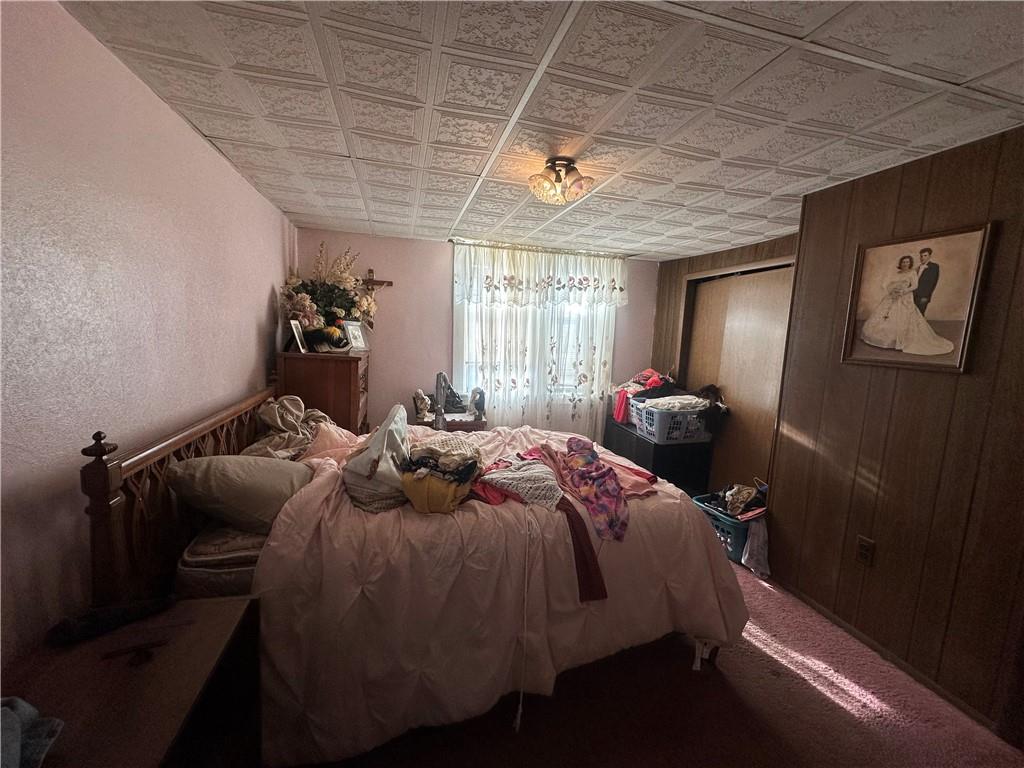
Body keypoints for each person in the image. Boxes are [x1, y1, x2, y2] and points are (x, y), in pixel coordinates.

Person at [861, 254, 954, 356]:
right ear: (900, 263)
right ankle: (883, 338)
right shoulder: (897, 273)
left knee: (903, 317)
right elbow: (890, 284)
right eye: (903, 262)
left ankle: (900, 340)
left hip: (905, 297)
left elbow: (915, 286)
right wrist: (892, 290)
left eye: (907, 262)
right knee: (884, 315)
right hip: (893, 296)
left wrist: (903, 291)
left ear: (910, 263)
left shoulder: (912, 272)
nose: (905, 264)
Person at [913, 246, 939, 315]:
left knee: (920, 315)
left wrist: (926, 296)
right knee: (912, 314)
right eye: (921, 256)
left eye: (925, 255)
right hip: (913, 294)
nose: (922, 258)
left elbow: (932, 283)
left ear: (929, 256)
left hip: (923, 296)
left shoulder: (934, 267)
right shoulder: (918, 267)